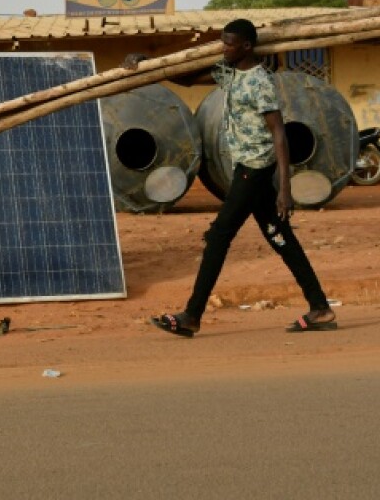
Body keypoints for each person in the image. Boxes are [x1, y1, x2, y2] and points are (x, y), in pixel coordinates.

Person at [124, 19, 337, 336]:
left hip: (255, 168)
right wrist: (148, 63)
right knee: (279, 236)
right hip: (244, 168)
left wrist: (285, 189)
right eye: (222, 42)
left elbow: (279, 133)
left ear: (247, 46)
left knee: (219, 236)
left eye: (228, 44)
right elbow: (186, 79)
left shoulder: (260, 82)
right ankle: (320, 307)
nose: (222, 48)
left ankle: (192, 315)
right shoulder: (229, 72)